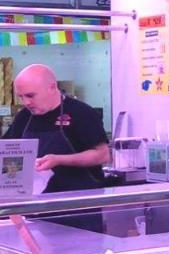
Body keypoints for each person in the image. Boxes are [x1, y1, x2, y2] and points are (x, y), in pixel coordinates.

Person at [4, 66, 110, 232]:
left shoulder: (81, 113)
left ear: (52, 87)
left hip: (77, 212)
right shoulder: (24, 117)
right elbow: (8, 152)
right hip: (34, 211)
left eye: (31, 95)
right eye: (21, 97)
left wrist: (59, 159)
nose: (26, 102)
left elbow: (102, 155)